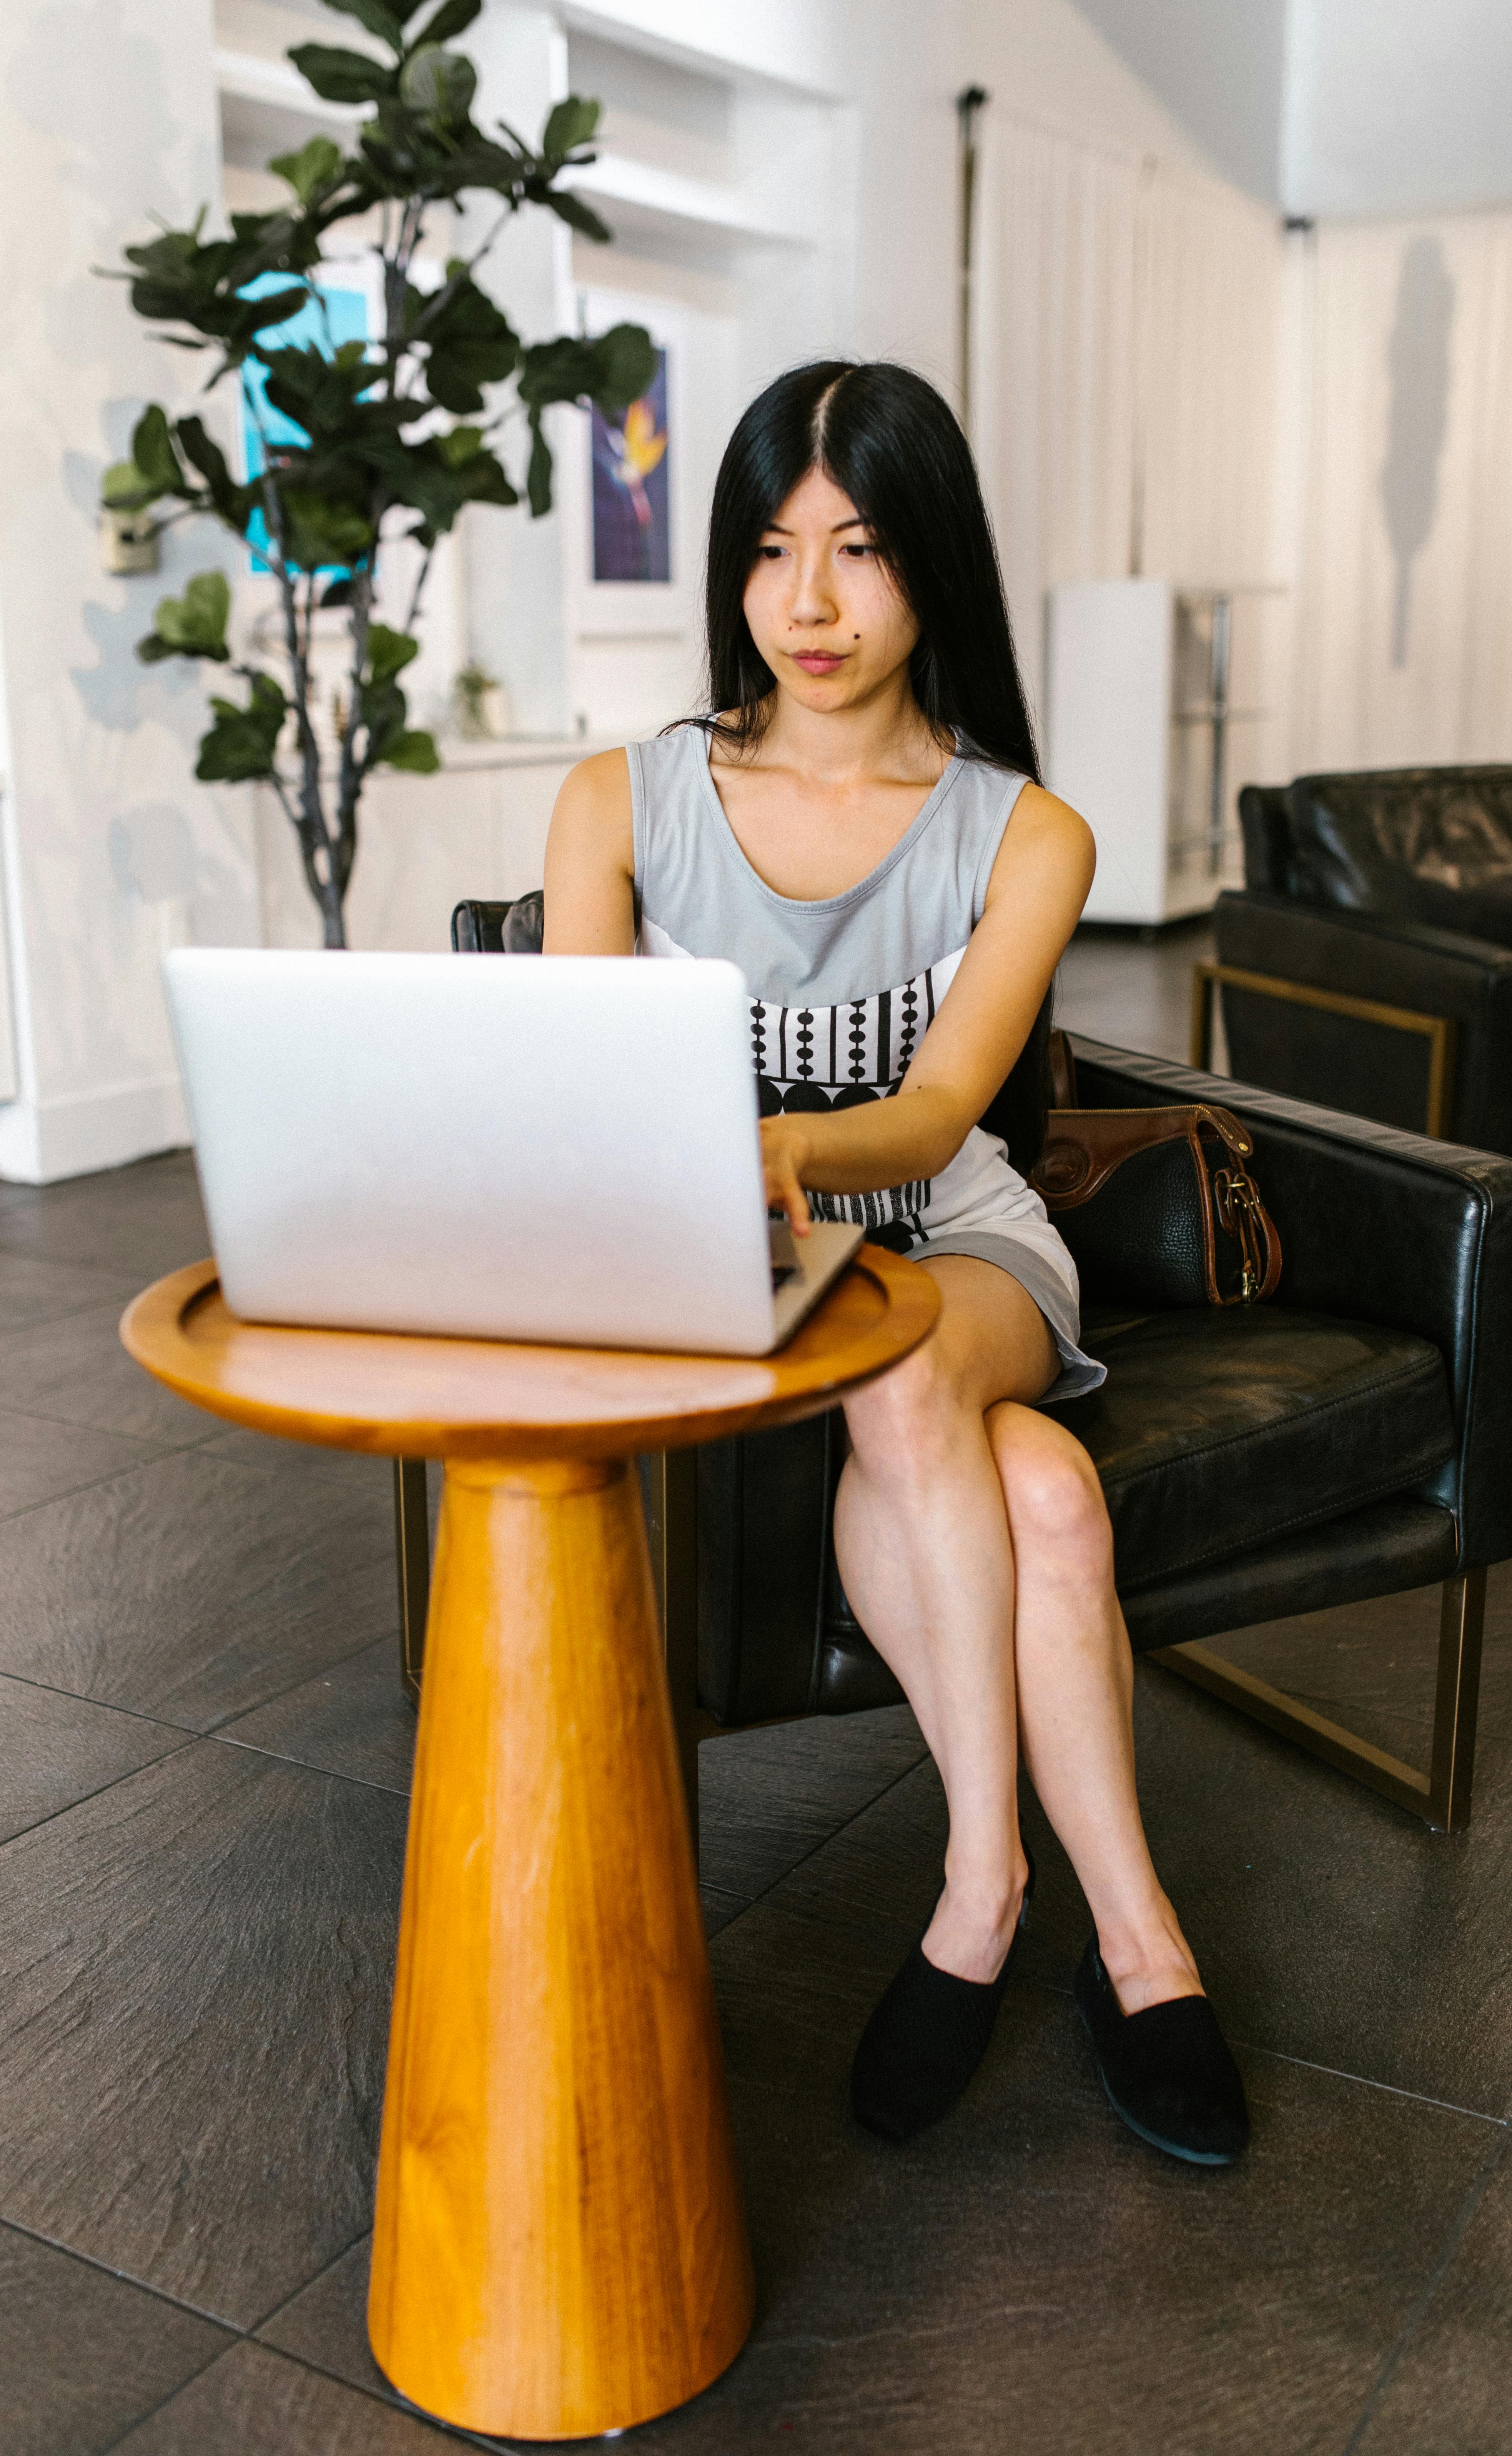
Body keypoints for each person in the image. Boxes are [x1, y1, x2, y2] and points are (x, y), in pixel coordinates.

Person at [543, 359, 1248, 2166]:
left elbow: (942, 1115)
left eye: (859, 548)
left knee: (921, 1368)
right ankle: (1142, 1942)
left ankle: (974, 1889)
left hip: (953, 1244)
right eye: (776, 550)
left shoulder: (1026, 831)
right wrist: (718, 1183)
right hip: (731, 1269)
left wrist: (782, 1147)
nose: (813, 602)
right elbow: (582, 1094)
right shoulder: (619, 803)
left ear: (931, 559)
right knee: (1054, 1502)